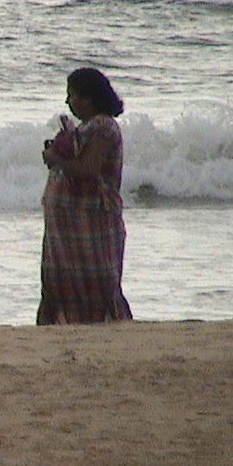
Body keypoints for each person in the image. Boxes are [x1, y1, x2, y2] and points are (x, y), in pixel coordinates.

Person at [38, 67, 133, 325]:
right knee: (61, 283)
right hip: (73, 226)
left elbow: (88, 168)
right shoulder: (88, 128)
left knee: (96, 285)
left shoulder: (103, 126)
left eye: (72, 95)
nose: (68, 102)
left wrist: (56, 160)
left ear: (88, 98)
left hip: (91, 221)